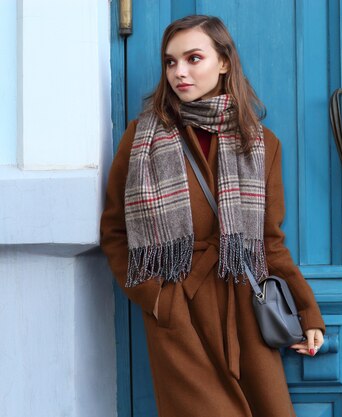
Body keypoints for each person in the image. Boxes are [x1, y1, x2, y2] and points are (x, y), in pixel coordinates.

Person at [100, 14, 325, 417]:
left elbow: (268, 240)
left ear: (223, 62)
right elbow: (116, 231)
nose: (179, 72)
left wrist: (308, 312)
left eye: (193, 58)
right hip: (179, 311)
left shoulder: (259, 144)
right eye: (170, 62)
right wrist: (158, 301)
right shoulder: (142, 138)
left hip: (243, 306)